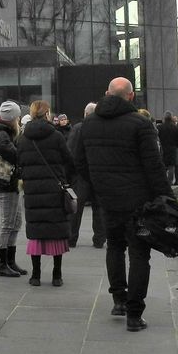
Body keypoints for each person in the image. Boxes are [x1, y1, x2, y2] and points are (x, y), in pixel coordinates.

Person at [73, 78, 173, 332]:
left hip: (107, 200)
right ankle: (134, 313)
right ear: (131, 96)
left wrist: (97, 187)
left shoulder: (89, 124)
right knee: (140, 254)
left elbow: (80, 162)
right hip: (138, 203)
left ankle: (119, 300)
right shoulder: (141, 124)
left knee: (114, 248)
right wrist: (167, 200)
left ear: (107, 93)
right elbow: (154, 167)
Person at [16, 100, 74, 287]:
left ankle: (36, 275)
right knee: (56, 230)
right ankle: (57, 275)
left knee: (36, 230)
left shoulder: (24, 138)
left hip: (33, 190)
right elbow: (68, 160)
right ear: (47, 114)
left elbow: (20, 162)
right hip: (54, 188)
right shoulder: (56, 136)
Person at [0, 100, 27, 277]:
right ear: (13, 118)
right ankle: (1, 263)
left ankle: (10, 261)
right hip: (5, 183)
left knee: (15, 222)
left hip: (9, 183)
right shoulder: (2, 134)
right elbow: (16, 155)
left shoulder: (3, 132)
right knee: (7, 223)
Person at [67, 102, 104, 248]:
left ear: (85, 113)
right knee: (99, 208)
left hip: (81, 175)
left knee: (76, 208)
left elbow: (71, 152)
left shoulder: (78, 128)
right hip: (98, 174)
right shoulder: (103, 128)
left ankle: (72, 237)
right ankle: (99, 239)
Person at [158, 112, 178, 185]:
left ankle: (163, 181)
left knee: (163, 166)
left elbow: (158, 137)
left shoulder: (160, 127)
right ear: (171, 118)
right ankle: (170, 181)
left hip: (163, 148)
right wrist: (175, 145)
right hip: (172, 148)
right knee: (171, 166)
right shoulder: (174, 127)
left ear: (164, 118)